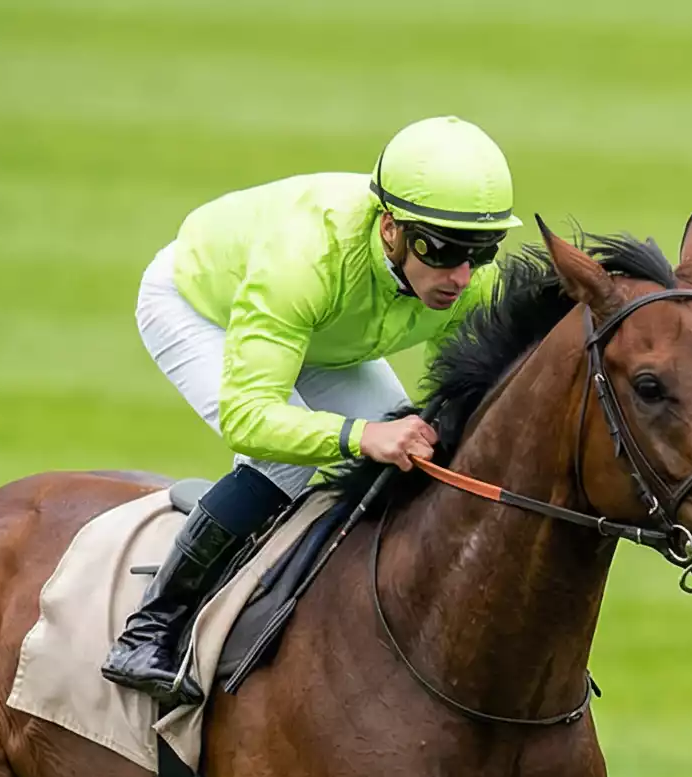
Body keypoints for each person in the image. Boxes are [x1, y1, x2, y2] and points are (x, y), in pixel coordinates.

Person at [102, 116, 521, 703]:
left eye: (480, 251)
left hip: (325, 331)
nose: (460, 275)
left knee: (415, 448)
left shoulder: (468, 278)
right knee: (285, 465)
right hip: (204, 307)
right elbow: (251, 418)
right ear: (391, 228)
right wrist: (359, 436)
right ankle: (151, 628)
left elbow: (447, 403)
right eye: (443, 250)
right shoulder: (303, 258)